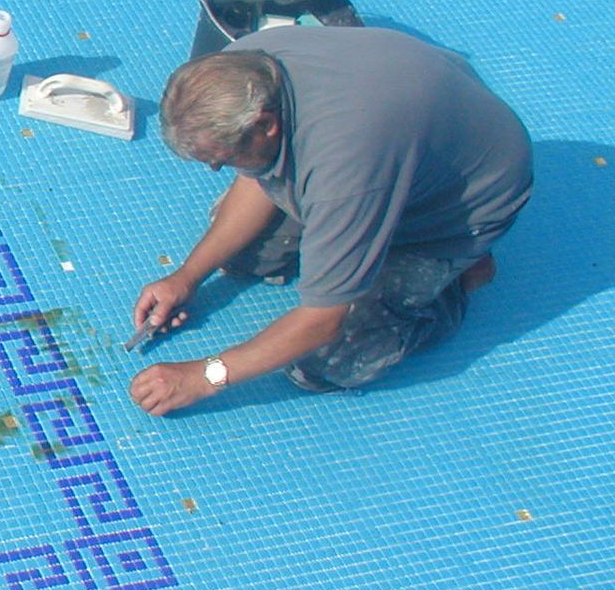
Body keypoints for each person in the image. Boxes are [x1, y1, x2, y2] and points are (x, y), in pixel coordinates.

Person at [128, 24, 532, 416]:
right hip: (402, 144)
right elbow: (257, 175)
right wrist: (186, 277)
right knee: (245, 255)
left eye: (222, 158)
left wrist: (204, 376)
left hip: (463, 206)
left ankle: (458, 278)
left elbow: (322, 321)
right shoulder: (240, 67)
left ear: (266, 124)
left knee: (327, 360)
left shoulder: (345, 171)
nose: (216, 169)